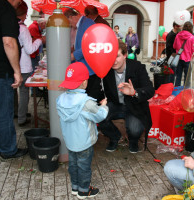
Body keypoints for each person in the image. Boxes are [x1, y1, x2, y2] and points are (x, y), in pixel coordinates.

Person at [56, 62, 108, 199]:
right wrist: (104, 106)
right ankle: (84, 191)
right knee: (84, 167)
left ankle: (75, 187)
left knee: (73, 165)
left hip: (70, 141)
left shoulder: (60, 100)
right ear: (85, 82)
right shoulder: (86, 102)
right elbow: (100, 116)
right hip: (84, 143)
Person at [99, 39, 155, 153]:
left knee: (135, 128)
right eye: (111, 57)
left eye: (117, 56)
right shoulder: (106, 70)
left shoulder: (137, 67)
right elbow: (99, 89)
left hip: (134, 106)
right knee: (98, 115)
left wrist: (134, 92)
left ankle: (133, 141)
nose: (114, 61)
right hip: (115, 104)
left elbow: (150, 90)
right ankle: (115, 137)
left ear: (125, 55)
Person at [0, 0, 28, 159]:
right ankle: (7, 150)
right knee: (3, 112)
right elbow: (9, 42)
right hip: (1, 71)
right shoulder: (5, 8)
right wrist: (17, 71)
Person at [63, 8, 103, 102]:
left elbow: (91, 45)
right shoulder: (82, 24)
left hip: (91, 69)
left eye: (68, 22)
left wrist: (74, 55)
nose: (69, 25)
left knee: (90, 98)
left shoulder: (87, 23)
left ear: (71, 17)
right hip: (86, 68)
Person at [16, 1, 43, 126]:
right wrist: (39, 40)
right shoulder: (23, 28)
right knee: (24, 92)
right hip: (23, 64)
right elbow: (30, 49)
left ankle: (17, 113)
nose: (26, 16)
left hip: (14, 63)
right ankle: (22, 117)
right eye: (25, 14)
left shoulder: (11, 25)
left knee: (14, 92)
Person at [173, 21, 194, 86]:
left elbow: (174, 46)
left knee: (178, 76)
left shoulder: (178, 35)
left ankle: (177, 91)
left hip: (179, 58)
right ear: (191, 28)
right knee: (187, 78)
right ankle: (186, 93)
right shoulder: (192, 37)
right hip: (188, 59)